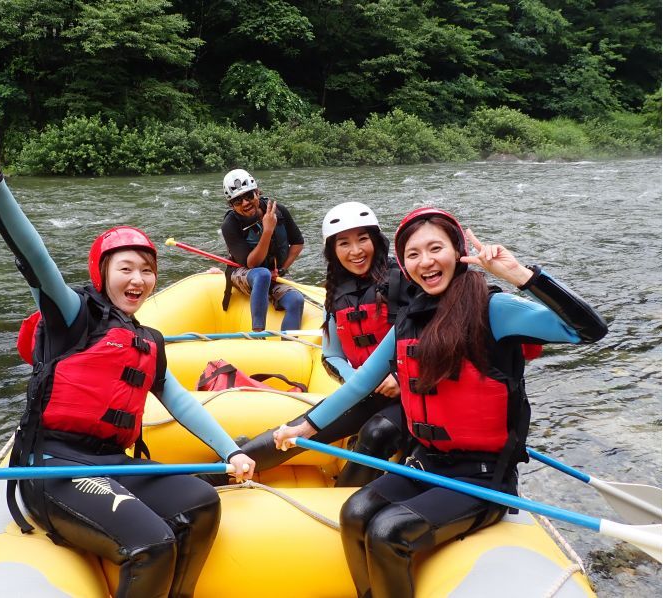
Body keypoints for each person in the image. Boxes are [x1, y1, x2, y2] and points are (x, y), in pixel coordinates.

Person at [0, 126, 255, 598]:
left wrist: (230, 451)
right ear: (103, 274)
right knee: (151, 543)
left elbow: (180, 400)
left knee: (201, 503)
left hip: (112, 462)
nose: (138, 279)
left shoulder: (148, 341)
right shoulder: (74, 315)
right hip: (54, 467)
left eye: (147, 270)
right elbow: (36, 257)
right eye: (126, 269)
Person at [274, 206, 607, 597]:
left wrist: (520, 276)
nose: (426, 262)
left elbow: (589, 330)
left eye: (436, 249)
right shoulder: (411, 319)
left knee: (388, 531)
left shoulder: (493, 309)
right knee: (355, 513)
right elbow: (358, 386)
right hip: (425, 463)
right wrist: (304, 427)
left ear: (458, 251)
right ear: (403, 262)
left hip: (483, 478)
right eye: (413, 254)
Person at [204, 202, 411, 487]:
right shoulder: (337, 290)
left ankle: (342, 498)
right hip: (368, 391)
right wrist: (361, 384)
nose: (356, 251)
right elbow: (332, 355)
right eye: (344, 243)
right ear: (332, 250)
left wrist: (401, 375)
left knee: (377, 433)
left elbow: (432, 336)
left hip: (414, 392)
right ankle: (208, 477)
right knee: (293, 432)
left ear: (377, 239)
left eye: (363, 239)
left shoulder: (404, 280)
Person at [220, 168, 305, 331]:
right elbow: (251, 263)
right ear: (232, 205)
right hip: (245, 274)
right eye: (237, 201)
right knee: (262, 274)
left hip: (274, 275)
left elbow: (298, 243)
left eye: (249, 196)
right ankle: (258, 332)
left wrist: (282, 270)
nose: (245, 203)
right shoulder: (230, 225)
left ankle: (289, 346)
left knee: (296, 300)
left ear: (257, 192)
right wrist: (267, 231)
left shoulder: (278, 211)